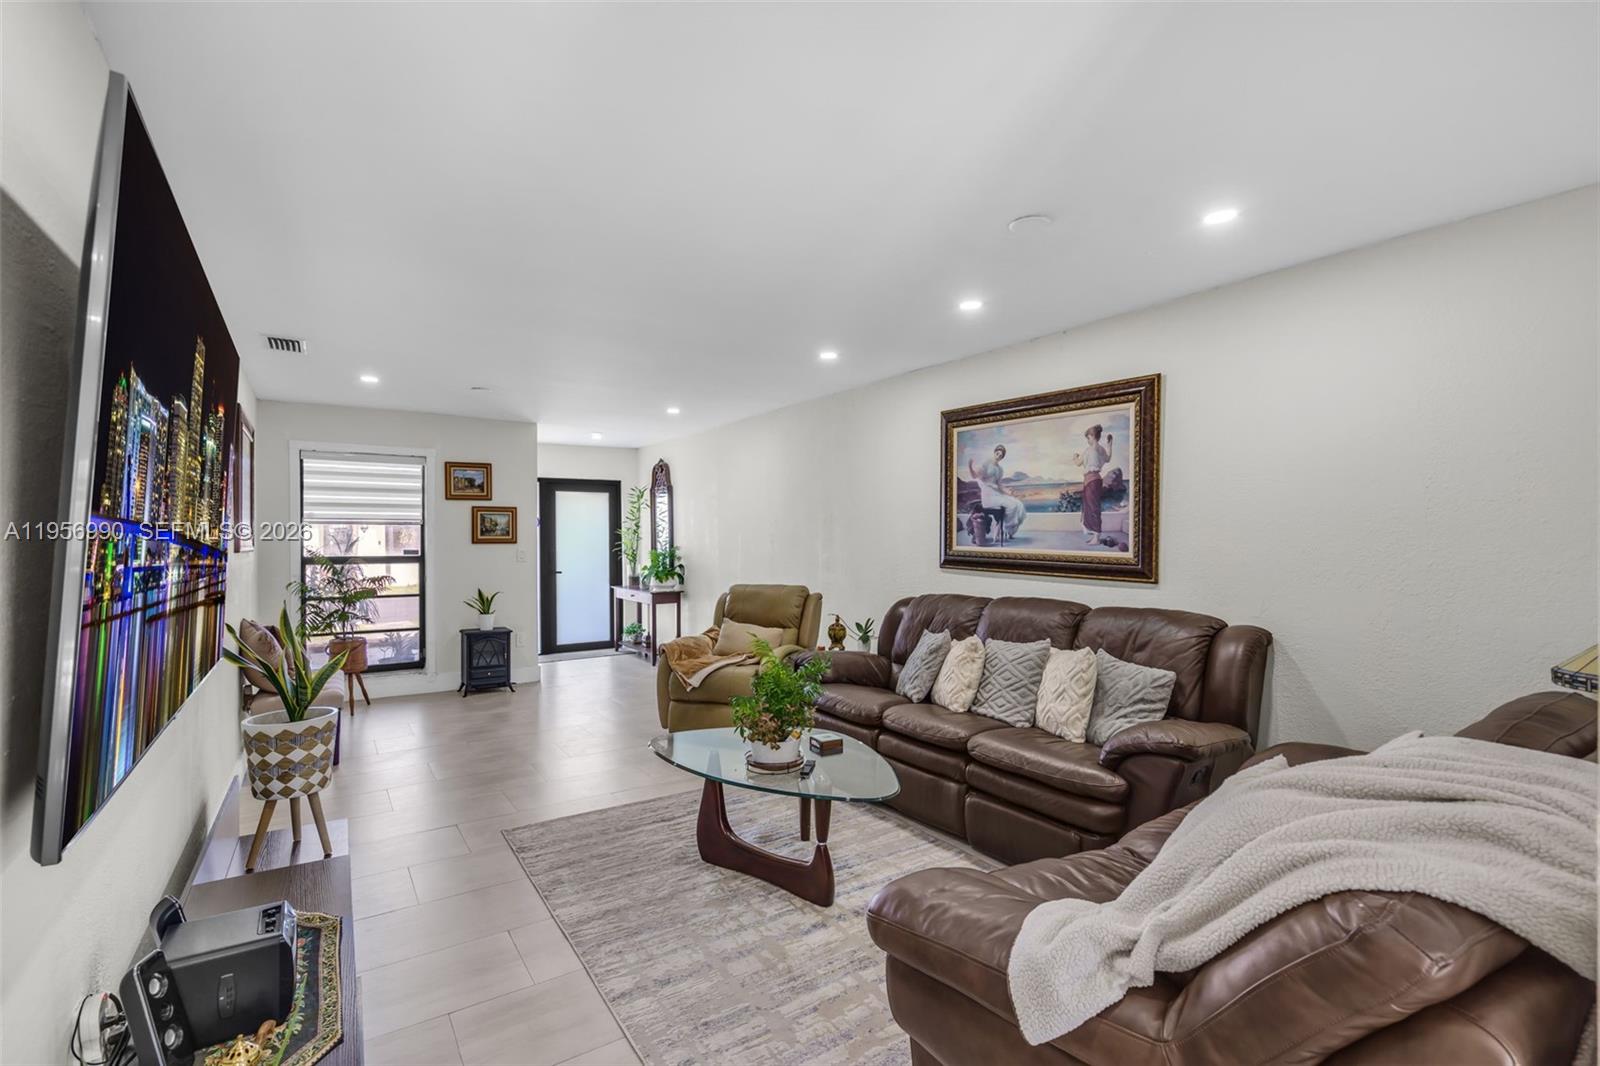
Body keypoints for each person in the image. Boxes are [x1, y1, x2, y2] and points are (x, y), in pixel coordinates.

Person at [968, 444, 1026, 540]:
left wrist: (1008, 492)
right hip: (988, 495)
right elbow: (975, 476)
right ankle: (1004, 527)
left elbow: (999, 485)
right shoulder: (986, 464)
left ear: (1002, 458)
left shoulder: (999, 469)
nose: (998, 456)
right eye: (997, 453)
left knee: (1019, 505)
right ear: (994, 452)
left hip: (997, 494)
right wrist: (970, 466)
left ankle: (1006, 529)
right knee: (1012, 505)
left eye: (1001, 456)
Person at [1074, 425, 1112, 544]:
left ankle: (1096, 538)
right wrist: (1110, 445)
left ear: (1092, 436)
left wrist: (1075, 457)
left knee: (1092, 508)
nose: (1087, 440)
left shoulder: (1089, 450)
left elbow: (1078, 463)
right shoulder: (1101, 449)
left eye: (1088, 438)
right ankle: (1096, 536)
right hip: (1096, 480)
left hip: (1091, 481)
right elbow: (1108, 459)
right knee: (1094, 507)